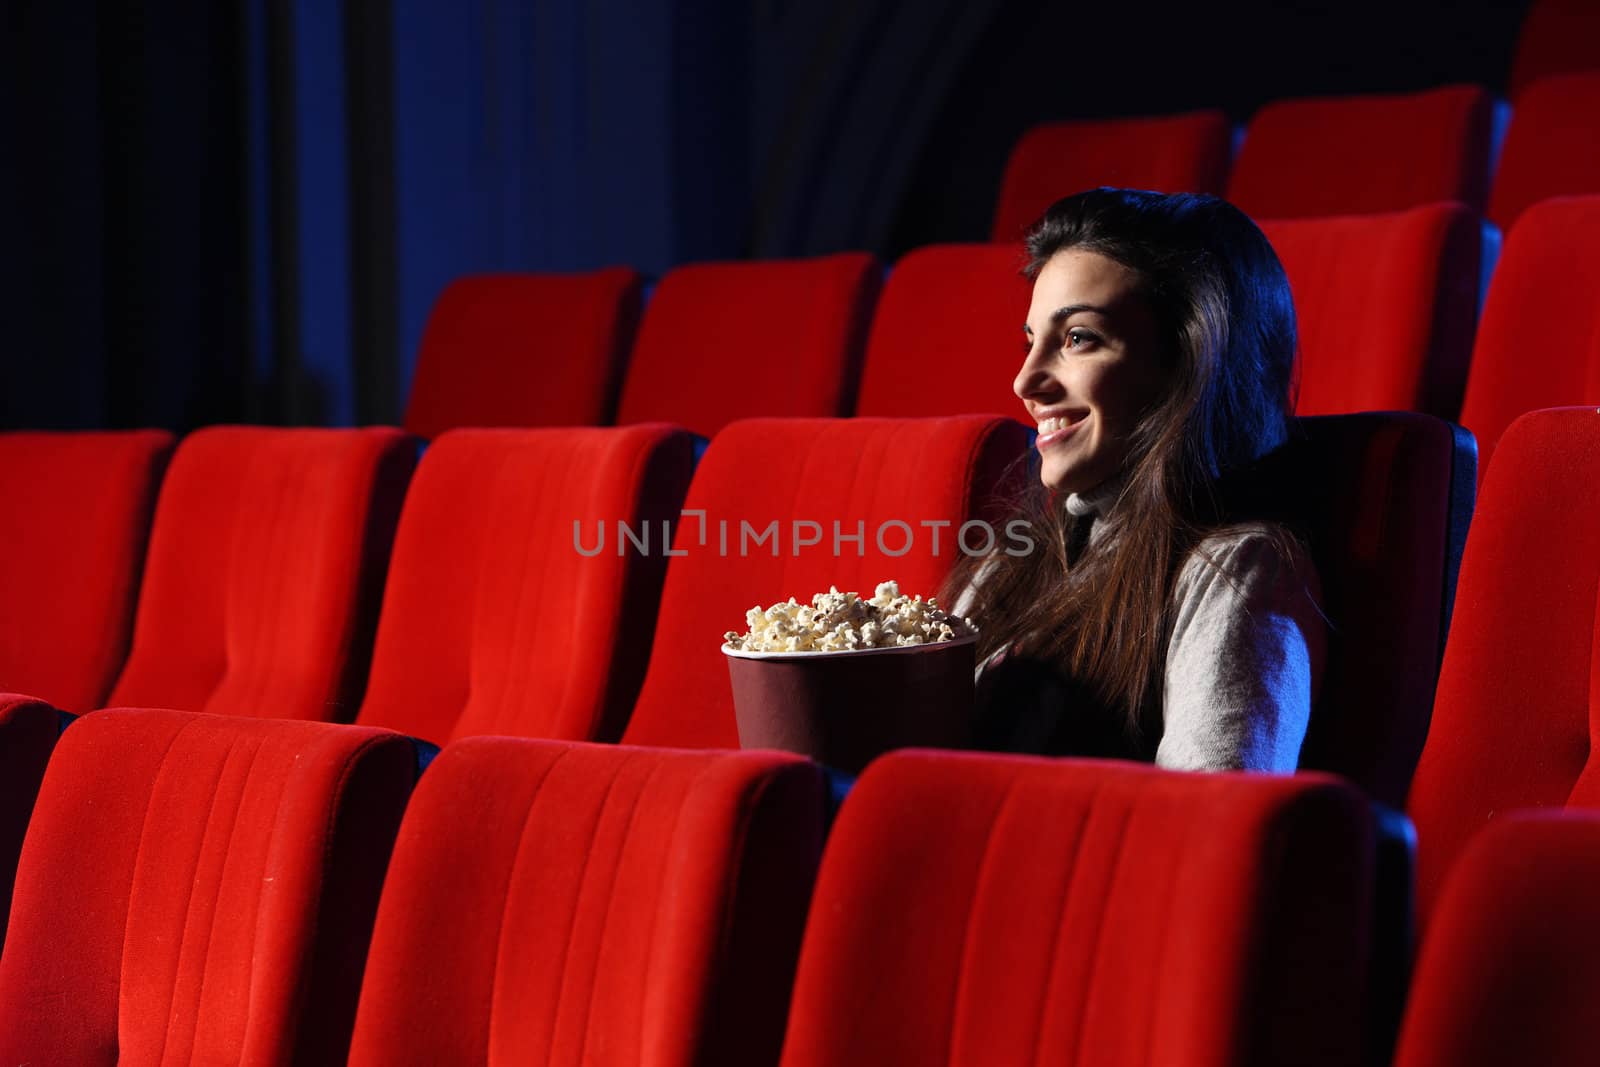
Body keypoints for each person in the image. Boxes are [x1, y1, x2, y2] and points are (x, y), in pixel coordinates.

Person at [945, 187, 1326, 773]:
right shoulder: (1009, 566)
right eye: (1030, 342)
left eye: (1078, 339)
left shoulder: (1237, 573)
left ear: (1187, 363)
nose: (1025, 381)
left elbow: (1207, 834)